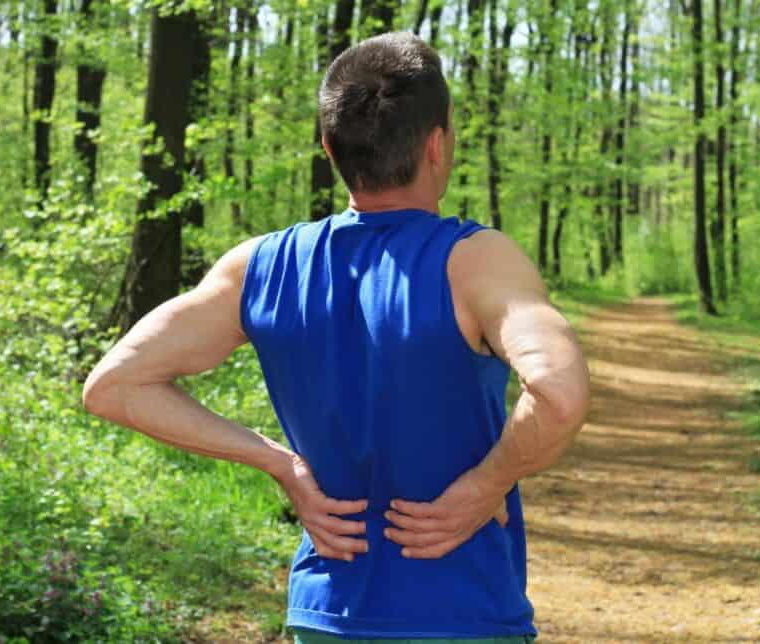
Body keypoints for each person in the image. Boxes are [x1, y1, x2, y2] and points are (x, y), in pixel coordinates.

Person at [82, 31, 590, 643]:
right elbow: (559, 392)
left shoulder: (260, 267)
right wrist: (487, 484)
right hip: (462, 613)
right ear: (437, 144)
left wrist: (277, 462)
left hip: (324, 615)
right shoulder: (476, 261)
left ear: (329, 147)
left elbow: (113, 386)